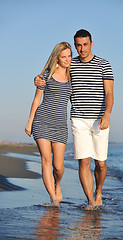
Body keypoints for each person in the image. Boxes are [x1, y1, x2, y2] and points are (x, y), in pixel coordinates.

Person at [34, 29, 114, 210]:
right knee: (84, 161)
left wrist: (107, 113)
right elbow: (51, 71)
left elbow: (109, 92)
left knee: (100, 164)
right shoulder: (71, 64)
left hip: (99, 119)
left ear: (91, 44)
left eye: (85, 44)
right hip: (78, 119)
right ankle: (91, 202)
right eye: (78, 45)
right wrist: (37, 79)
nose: (82, 48)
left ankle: (98, 191)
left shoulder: (104, 64)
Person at [25, 42, 72, 207]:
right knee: (46, 160)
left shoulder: (72, 76)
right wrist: (30, 122)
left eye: (69, 56)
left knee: (58, 167)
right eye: (63, 56)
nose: (67, 59)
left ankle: (57, 184)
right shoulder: (46, 74)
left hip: (60, 125)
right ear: (57, 58)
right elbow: (37, 99)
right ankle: (53, 198)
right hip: (42, 122)